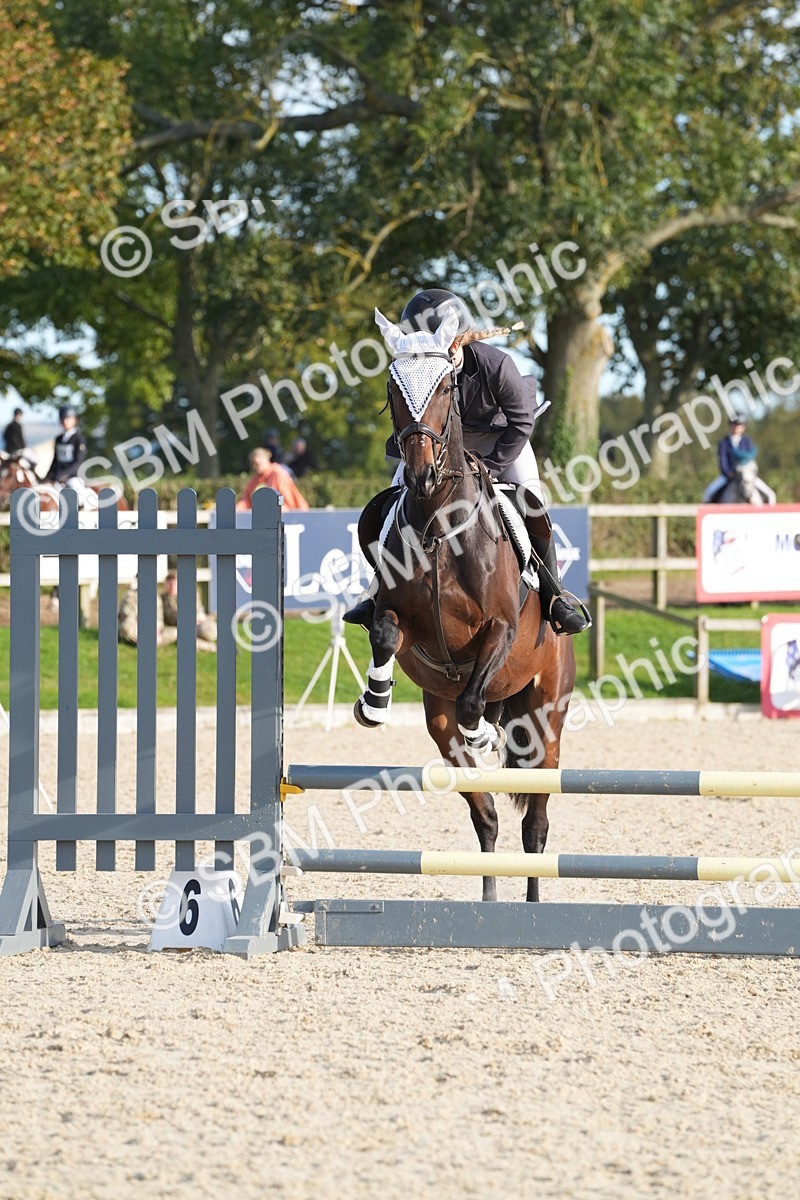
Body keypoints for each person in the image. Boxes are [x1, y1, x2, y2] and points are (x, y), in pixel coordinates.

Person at [344, 288, 589, 636]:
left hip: (500, 439)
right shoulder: (417, 368)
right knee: (395, 500)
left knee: (531, 501)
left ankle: (555, 595)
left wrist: (493, 464)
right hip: (443, 444)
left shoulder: (496, 364)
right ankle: (376, 590)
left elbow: (521, 422)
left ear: (458, 341)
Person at [703, 415, 776, 504]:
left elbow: (750, 460)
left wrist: (749, 472)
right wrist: (729, 473)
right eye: (734, 425)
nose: (736, 427)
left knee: (771, 495)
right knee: (708, 494)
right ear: (730, 426)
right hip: (729, 476)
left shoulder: (747, 441)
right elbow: (723, 461)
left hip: (747, 475)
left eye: (739, 425)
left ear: (743, 427)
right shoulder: (723, 443)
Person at [238, 447, 309, 511]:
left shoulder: (277, 473)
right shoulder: (257, 477)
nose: (255, 467)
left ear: (266, 460)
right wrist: (237, 509)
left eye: (257, 464)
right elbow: (246, 499)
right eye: (252, 464)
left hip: (292, 514)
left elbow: (286, 501)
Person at [44, 404, 87, 497]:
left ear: (75, 420)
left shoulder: (79, 439)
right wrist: (48, 476)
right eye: (63, 419)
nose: (65, 421)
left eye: (68, 419)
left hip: (73, 477)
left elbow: (78, 462)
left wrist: (64, 475)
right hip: (58, 477)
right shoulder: (58, 439)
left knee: (79, 497)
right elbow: (55, 460)